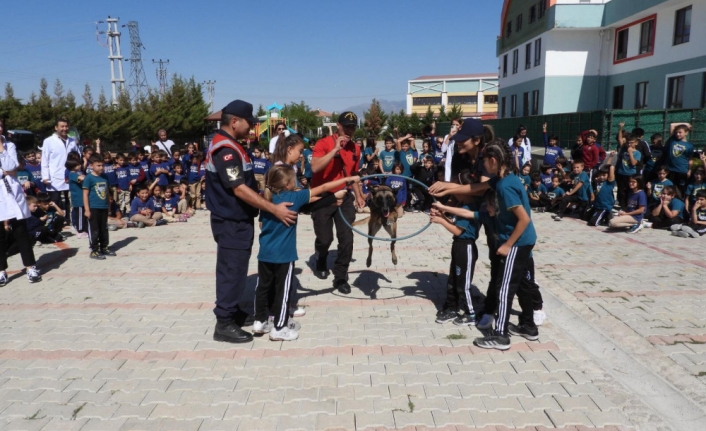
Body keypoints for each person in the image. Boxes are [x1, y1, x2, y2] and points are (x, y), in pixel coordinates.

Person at [206, 100, 297, 344]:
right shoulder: (226, 149)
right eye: (250, 123)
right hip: (231, 221)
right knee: (231, 270)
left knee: (236, 270)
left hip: (237, 219)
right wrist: (273, 209)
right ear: (235, 122)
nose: (252, 128)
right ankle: (224, 323)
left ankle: (232, 311)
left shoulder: (232, 145)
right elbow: (238, 189)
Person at [254, 165, 358, 341]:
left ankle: (259, 321)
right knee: (283, 291)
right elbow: (323, 188)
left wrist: (332, 200)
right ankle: (279, 328)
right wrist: (346, 181)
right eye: (293, 179)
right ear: (287, 183)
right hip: (284, 256)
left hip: (264, 254)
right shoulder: (294, 196)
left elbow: (262, 225)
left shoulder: (266, 199)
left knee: (263, 287)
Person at [310, 112, 366, 294]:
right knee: (325, 238)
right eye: (346, 126)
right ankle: (321, 256)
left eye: (353, 127)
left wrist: (359, 195)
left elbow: (353, 175)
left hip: (344, 197)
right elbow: (315, 167)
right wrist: (335, 150)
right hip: (322, 198)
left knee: (346, 238)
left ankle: (341, 276)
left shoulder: (355, 149)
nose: (349, 130)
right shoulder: (323, 143)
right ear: (338, 126)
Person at [0, 120, 42, 286]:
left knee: (21, 233)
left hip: (13, 193)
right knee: (0, 237)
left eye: (1, 125)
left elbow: (11, 166)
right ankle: (2, 270)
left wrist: (2, 149)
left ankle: (30, 267)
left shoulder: (9, 145)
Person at [41, 117, 78, 218]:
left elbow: (77, 157)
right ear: (56, 127)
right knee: (55, 201)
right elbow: (45, 160)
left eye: (66, 126)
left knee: (69, 200)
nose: (64, 129)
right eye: (62, 126)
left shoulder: (72, 141)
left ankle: (70, 219)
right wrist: (45, 176)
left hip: (70, 176)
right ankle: (56, 221)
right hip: (54, 177)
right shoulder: (48, 141)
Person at [83, 154, 115, 259]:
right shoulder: (89, 178)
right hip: (93, 207)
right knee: (94, 229)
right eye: (98, 165)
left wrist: (109, 206)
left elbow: (107, 192)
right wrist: (87, 210)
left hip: (104, 206)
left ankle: (104, 247)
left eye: (102, 165)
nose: (101, 168)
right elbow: (85, 194)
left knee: (103, 229)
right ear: (92, 166)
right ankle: (94, 250)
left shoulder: (105, 177)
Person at [663, 123, 694, 197]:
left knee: (680, 190)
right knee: (669, 189)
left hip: (682, 170)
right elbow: (672, 125)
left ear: (686, 133)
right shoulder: (673, 140)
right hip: (670, 170)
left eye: (680, 132)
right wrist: (686, 124)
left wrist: (689, 170)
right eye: (676, 132)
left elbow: (690, 159)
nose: (677, 134)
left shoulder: (689, 145)